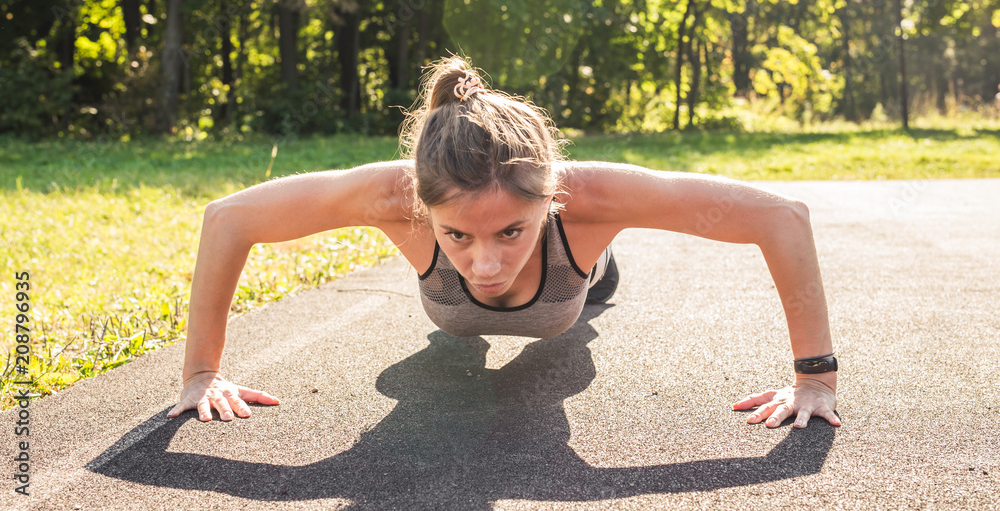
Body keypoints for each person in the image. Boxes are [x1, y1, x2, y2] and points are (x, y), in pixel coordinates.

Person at [168, 56, 840, 430]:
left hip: (574, 289)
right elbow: (229, 218)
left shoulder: (590, 197)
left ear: (551, 199)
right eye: (457, 233)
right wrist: (201, 373)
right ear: (421, 207)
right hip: (447, 310)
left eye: (512, 230)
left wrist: (815, 377)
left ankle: (585, 265)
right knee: (451, 333)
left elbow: (782, 216)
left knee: (582, 310)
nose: (485, 262)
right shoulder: (395, 195)